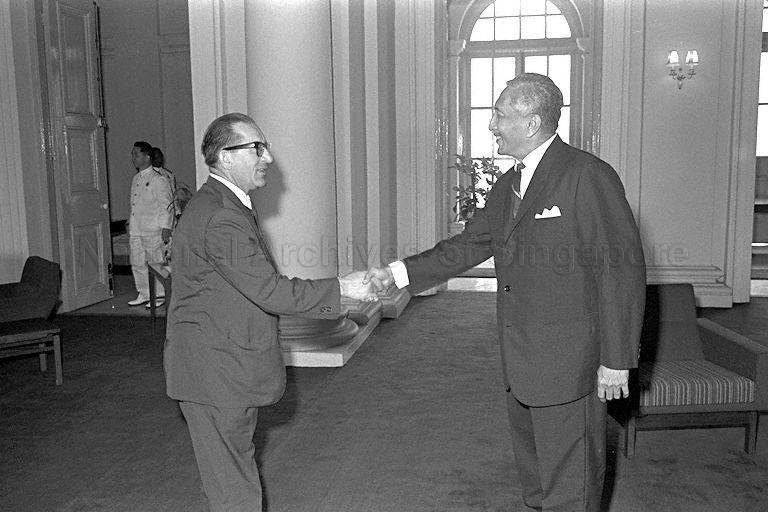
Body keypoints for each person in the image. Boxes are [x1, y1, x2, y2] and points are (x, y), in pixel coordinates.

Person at [365, 73, 646, 512]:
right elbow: (466, 246)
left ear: (531, 123)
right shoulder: (508, 184)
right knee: (537, 482)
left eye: (499, 115)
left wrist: (617, 359)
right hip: (522, 360)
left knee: (571, 490)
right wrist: (397, 273)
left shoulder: (587, 175)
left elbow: (620, 272)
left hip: (571, 363)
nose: (491, 125)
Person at [163, 112, 375, 512]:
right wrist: (342, 288)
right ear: (225, 157)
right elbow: (270, 291)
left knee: (230, 483)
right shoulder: (220, 215)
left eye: (266, 147)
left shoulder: (224, 204)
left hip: (222, 369)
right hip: (215, 374)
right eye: (256, 148)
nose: (268, 158)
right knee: (235, 493)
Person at [127, 141, 173, 308]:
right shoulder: (136, 178)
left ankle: (160, 294)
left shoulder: (158, 179)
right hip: (137, 228)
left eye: (136, 155)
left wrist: (166, 227)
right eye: (133, 155)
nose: (133, 158)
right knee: (137, 262)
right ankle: (145, 292)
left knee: (155, 262)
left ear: (147, 157)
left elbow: (166, 205)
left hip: (153, 229)